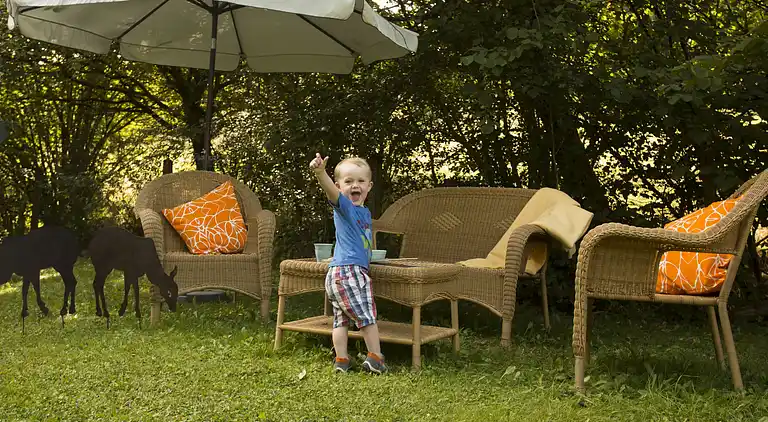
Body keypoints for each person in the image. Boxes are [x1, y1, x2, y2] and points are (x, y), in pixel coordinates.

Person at [309, 152, 387, 374]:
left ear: (369, 186)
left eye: (361, 181)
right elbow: (330, 192)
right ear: (339, 186)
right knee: (367, 316)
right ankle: (376, 357)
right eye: (349, 181)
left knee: (340, 320)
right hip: (349, 272)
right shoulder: (345, 207)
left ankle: (341, 360)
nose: (355, 186)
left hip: (339, 274)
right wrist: (320, 173)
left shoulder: (364, 212)